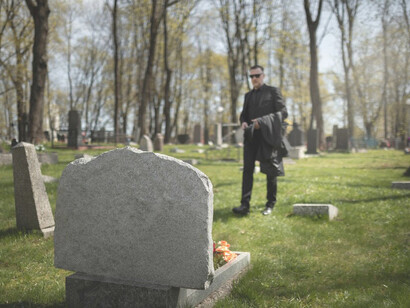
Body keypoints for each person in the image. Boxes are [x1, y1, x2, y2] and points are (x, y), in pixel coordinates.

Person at [233, 65, 288, 216]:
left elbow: (283, 113)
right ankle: (244, 205)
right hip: (251, 137)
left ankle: (270, 204)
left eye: (257, 75)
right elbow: (244, 115)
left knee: (270, 171)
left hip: (268, 136)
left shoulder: (273, 91)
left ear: (263, 76)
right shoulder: (248, 96)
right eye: (251, 76)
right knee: (247, 170)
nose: (254, 79)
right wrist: (243, 122)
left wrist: (262, 122)